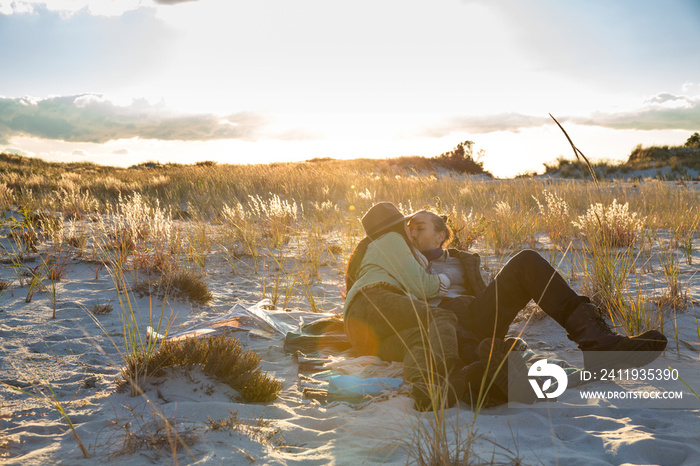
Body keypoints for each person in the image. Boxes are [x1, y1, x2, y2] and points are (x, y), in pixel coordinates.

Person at [406, 209, 668, 402]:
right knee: (473, 347)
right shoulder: (402, 260)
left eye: (419, 227)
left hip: (476, 313)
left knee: (527, 260)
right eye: (409, 228)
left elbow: (483, 294)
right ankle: (498, 372)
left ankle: (599, 343)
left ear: (441, 234)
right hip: (437, 324)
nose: (412, 232)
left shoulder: (462, 261)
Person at [343, 202, 467, 410]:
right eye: (406, 225)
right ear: (396, 227)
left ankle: (425, 391)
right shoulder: (391, 239)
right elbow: (424, 287)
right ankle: (450, 372)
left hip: (361, 334)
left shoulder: (376, 245)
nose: (410, 229)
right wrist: (449, 276)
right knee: (441, 317)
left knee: (418, 339)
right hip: (373, 300)